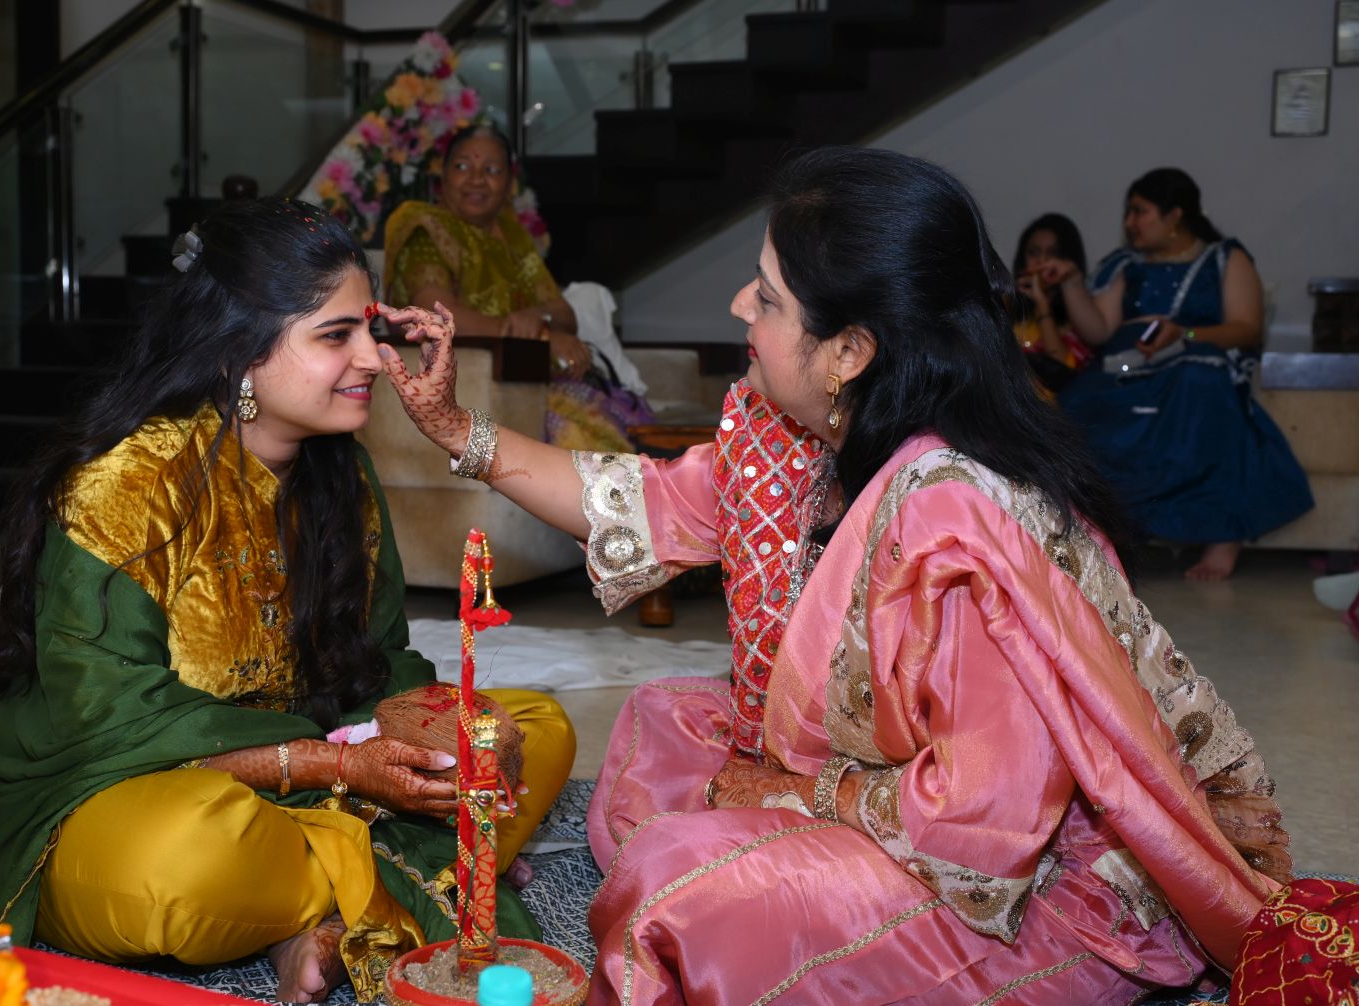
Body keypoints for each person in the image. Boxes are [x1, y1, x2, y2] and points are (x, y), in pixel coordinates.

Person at [377, 148, 1291, 1004]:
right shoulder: (797, 437)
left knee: (669, 896)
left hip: (1025, 870)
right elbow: (637, 500)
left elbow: (983, 822)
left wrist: (796, 795)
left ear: (850, 352)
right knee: (664, 723)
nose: (739, 303)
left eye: (768, 297)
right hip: (886, 774)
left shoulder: (961, 522)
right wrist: (457, 428)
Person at [0, 200, 575, 1005]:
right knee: (180, 862)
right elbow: (105, 720)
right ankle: (388, 887)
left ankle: (317, 915)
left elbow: (382, 662)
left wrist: (432, 737)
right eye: (335, 336)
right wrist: (331, 766)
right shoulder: (128, 485)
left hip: (319, 783)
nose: (374, 360)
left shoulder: (341, 475)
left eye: (369, 331)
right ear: (237, 350)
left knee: (532, 730)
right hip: (139, 791)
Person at [1041, 168, 1312, 580]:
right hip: (1127, 369)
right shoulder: (1126, 264)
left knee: (1200, 385)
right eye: (1128, 212)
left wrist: (1184, 334)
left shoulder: (1223, 258)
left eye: (1140, 211)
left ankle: (1223, 536)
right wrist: (1073, 283)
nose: (1130, 222)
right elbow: (1098, 331)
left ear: (1174, 215)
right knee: (1079, 399)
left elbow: (1247, 327)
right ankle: (1105, 532)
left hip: (1192, 365)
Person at [383, 123, 650, 452]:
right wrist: (532, 338)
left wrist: (537, 320)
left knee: (622, 424)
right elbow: (435, 316)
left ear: (509, 184)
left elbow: (564, 314)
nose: (476, 179)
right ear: (444, 176)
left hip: (525, 377)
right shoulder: (425, 228)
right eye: (463, 166)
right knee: (585, 439)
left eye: (492, 170)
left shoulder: (511, 236)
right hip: (465, 381)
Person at [1011, 213, 1093, 394]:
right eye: (1033, 252)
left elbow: (1061, 370)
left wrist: (1042, 304)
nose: (1041, 261)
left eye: (1052, 254)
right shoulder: (1007, 306)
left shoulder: (1082, 318)